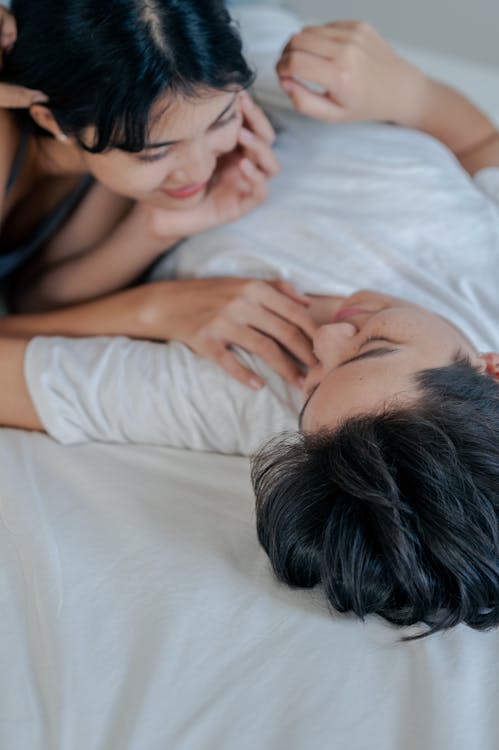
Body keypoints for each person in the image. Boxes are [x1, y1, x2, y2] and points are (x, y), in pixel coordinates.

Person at [1, 18, 499, 634]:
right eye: (375, 344)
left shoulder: (250, 388)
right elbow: (484, 151)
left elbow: (18, 341)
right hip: (270, 47)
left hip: (134, 74)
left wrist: (155, 307)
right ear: (489, 365)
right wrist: (415, 96)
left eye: (311, 386)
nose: (324, 338)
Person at [0, 1, 316, 390]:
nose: (200, 170)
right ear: (49, 120)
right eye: (156, 152)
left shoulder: (107, 151)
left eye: (222, 119)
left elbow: (34, 301)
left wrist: (157, 228)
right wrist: (151, 310)